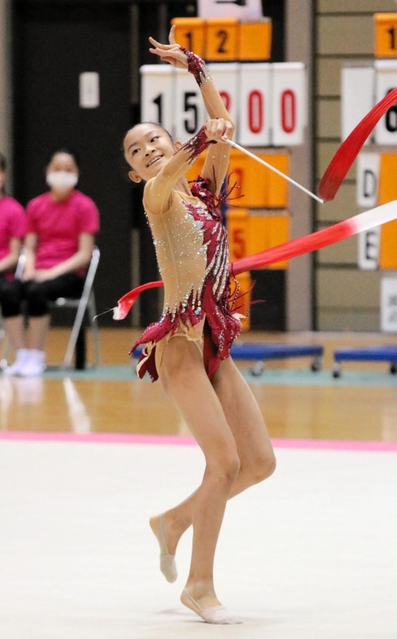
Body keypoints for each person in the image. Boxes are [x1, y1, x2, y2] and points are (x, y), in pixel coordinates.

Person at [123, 27, 276, 625]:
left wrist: (196, 67)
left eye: (153, 138)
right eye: (137, 151)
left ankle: (175, 520)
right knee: (225, 464)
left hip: (216, 340)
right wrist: (196, 137)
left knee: (259, 462)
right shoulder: (156, 196)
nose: (149, 150)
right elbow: (189, 153)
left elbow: (222, 125)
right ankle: (200, 585)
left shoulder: (207, 191)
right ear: (136, 173)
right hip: (182, 345)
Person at [4, 149, 100, 376]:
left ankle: (36, 355)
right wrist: (28, 268)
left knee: (36, 292)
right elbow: (30, 245)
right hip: (38, 272)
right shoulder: (36, 206)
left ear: (77, 173)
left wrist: (51, 273)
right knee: (9, 291)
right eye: (57, 169)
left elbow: (85, 254)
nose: (62, 174)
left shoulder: (85, 206)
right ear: (47, 171)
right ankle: (22, 355)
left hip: (69, 275)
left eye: (68, 169)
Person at [0, 153, 26, 357]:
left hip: (3, 273)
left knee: (9, 293)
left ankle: (22, 353)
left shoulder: (13, 210)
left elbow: (15, 255)